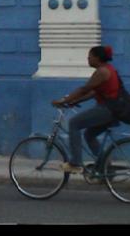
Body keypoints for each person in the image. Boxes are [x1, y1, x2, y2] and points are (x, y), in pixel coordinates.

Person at [50, 44, 122, 174]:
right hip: (113, 110)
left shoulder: (101, 72)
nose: (88, 59)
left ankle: (75, 163)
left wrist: (64, 100)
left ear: (97, 58)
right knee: (89, 134)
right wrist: (76, 101)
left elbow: (85, 89)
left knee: (74, 123)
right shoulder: (108, 69)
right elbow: (93, 92)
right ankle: (105, 167)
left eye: (90, 57)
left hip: (107, 109)